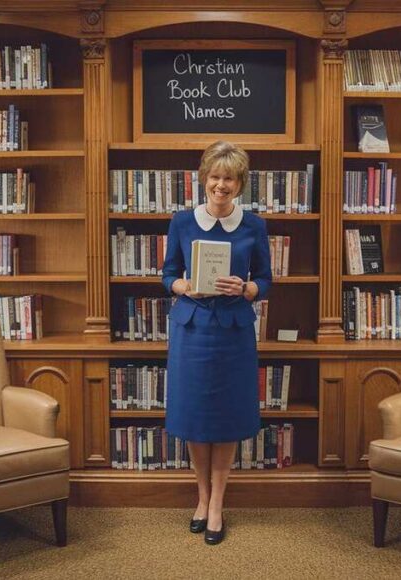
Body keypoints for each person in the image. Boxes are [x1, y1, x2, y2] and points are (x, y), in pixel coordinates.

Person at [161, 140, 272, 545]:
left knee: (225, 419)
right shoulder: (182, 221)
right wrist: (182, 285)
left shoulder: (254, 225)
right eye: (215, 176)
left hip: (233, 332)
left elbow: (267, 281)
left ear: (239, 183)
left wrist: (247, 288)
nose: (220, 185)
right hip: (192, 331)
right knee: (195, 417)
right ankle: (201, 499)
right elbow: (167, 273)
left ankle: (218, 506)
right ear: (204, 178)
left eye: (229, 178)